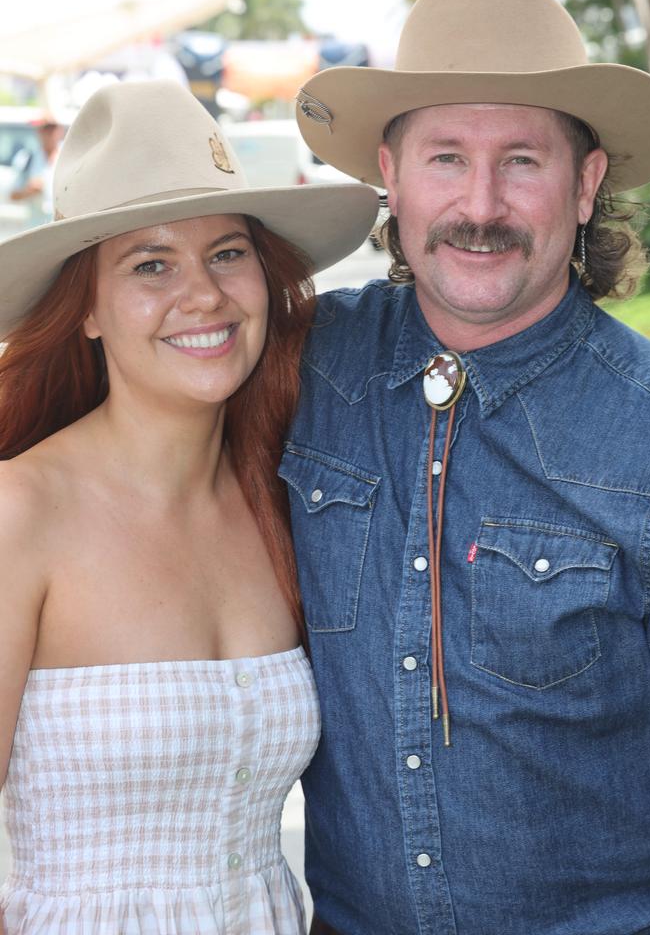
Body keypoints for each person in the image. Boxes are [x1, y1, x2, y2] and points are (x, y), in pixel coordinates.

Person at [286, 0, 650, 935]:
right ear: (390, 172)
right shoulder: (304, 371)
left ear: (586, 184)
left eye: (522, 160)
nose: (481, 203)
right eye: (446, 158)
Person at [0, 80, 377, 935]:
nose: (203, 295)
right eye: (151, 264)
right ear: (86, 309)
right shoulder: (20, 513)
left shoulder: (280, 505)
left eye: (228, 253)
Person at [9, 119, 63, 227]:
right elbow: (13, 196)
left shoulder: (68, 157)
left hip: (62, 224)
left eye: (52, 129)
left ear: (59, 131)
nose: (49, 134)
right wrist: (29, 191)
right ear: (39, 132)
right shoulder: (27, 158)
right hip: (36, 224)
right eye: (46, 130)